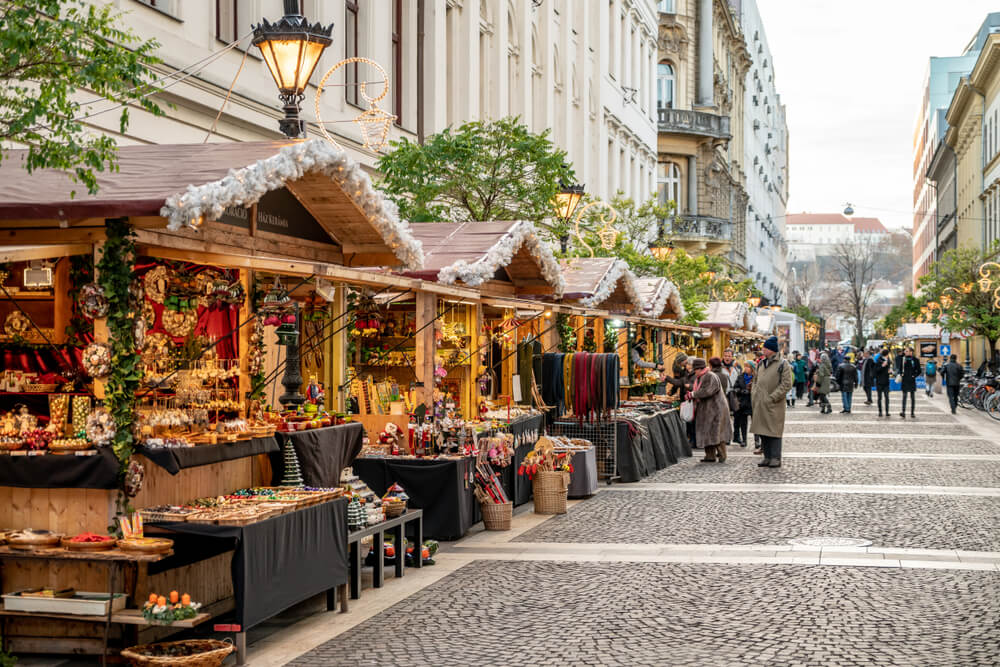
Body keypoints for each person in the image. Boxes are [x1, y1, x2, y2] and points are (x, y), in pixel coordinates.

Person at [751, 336, 794, 468]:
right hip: (760, 403)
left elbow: (787, 384)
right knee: (762, 430)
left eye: (765, 348)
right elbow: (755, 381)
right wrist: (754, 394)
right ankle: (767, 456)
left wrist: (773, 397)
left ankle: (775, 457)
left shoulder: (782, 364)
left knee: (774, 431)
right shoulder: (761, 363)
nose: (762, 349)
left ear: (771, 350)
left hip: (773, 404)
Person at [689, 358, 733, 463]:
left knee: (716, 432)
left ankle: (722, 455)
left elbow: (708, 391)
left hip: (716, 409)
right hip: (707, 409)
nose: (694, 372)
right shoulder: (701, 377)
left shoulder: (710, 376)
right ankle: (710, 456)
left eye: (695, 369)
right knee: (707, 432)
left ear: (700, 368)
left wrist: (693, 394)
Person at [732, 361, 754, 447]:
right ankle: (744, 440)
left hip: (753, 402)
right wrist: (741, 391)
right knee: (743, 423)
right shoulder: (740, 377)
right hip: (743, 403)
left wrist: (751, 391)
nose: (746, 368)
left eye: (748, 367)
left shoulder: (756, 377)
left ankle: (757, 441)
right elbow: (735, 387)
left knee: (755, 423)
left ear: (752, 368)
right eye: (745, 367)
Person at [895, 347, 921, 418]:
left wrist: (914, 376)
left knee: (912, 397)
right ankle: (903, 412)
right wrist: (901, 374)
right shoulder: (903, 359)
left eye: (906, 351)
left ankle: (912, 413)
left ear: (911, 352)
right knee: (904, 396)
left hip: (912, 380)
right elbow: (899, 368)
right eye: (905, 351)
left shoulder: (915, 360)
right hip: (905, 380)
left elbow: (919, 371)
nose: (905, 352)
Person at [874, 348, 892, 417]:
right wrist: (882, 366)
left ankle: (887, 412)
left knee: (887, 397)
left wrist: (890, 372)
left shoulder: (889, 361)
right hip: (879, 382)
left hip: (886, 382)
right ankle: (880, 411)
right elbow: (876, 371)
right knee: (879, 397)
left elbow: (888, 370)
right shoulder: (878, 360)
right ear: (886, 354)